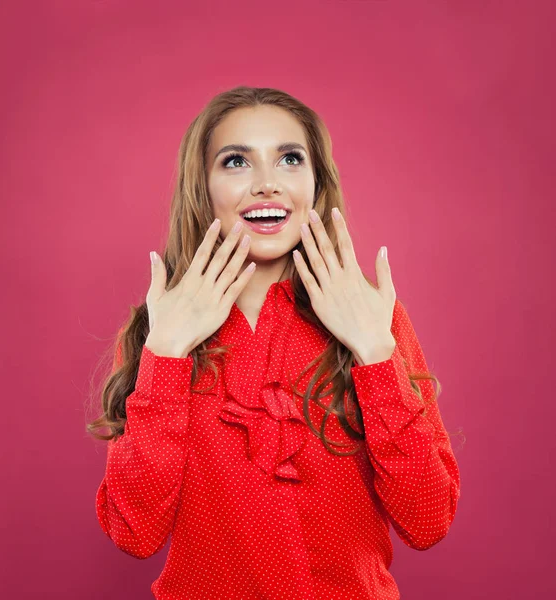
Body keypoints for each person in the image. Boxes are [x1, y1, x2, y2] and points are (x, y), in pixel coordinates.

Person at [88, 86, 461, 600]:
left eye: (289, 158)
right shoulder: (161, 330)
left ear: (315, 183)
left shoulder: (375, 318)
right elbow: (134, 532)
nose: (266, 184)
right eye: (236, 161)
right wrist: (166, 356)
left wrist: (375, 355)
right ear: (204, 187)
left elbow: (428, 518)